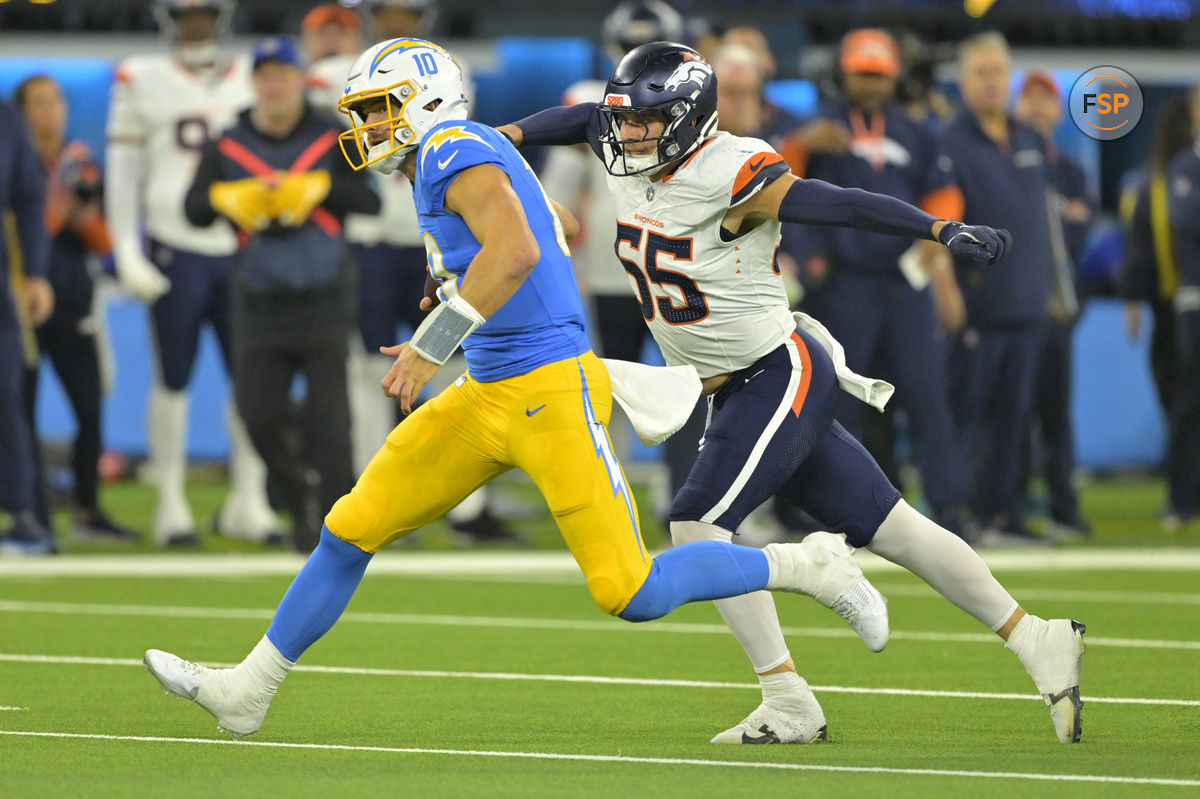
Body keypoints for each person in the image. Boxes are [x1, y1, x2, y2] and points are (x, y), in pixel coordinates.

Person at [144, 37, 891, 744]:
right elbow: (555, 221)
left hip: (549, 395)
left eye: (378, 106)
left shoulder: (447, 147)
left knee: (629, 591)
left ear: (424, 101)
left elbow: (520, 246)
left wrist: (436, 338)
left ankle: (805, 564)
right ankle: (250, 688)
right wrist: (466, 283)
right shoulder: (457, 152)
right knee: (350, 527)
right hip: (489, 391)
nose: (367, 125)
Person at [498, 41, 1085, 744]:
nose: (624, 134)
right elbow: (580, 119)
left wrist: (935, 227)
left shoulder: (730, 169)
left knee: (697, 523)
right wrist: (509, 137)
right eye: (624, 121)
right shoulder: (629, 137)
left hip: (777, 371)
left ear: (685, 120)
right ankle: (1036, 636)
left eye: (642, 122)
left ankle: (787, 695)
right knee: (896, 528)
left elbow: (841, 204)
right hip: (739, 383)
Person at [184, 36, 380, 552]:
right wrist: (232, 197)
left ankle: (337, 535)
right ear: (255, 83)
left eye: (284, 75)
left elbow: (370, 199)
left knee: (331, 422)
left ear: (300, 80)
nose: (275, 86)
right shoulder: (229, 142)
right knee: (257, 412)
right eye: (266, 76)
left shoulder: (331, 135)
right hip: (258, 298)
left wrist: (318, 188)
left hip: (324, 295)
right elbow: (194, 210)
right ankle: (296, 491)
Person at [106, 0, 278, 546]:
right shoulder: (142, 77)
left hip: (240, 247)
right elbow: (123, 173)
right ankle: (171, 504)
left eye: (202, 12)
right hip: (174, 248)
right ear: (169, 19)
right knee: (172, 378)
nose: (195, 23)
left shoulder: (252, 77)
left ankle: (249, 500)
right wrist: (127, 251)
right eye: (186, 14)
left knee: (249, 380)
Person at [791, 29, 969, 537]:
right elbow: (776, 183)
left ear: (893, 77)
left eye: (878, 74)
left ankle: (950, 511)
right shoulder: (817, 127)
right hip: (842, 284)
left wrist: (938, 265)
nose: (870, 84)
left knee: (927, 396)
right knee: (839, 405)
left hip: (903, 283)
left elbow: (944, 200)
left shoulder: (918, 133)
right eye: (862, 73)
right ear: (844, 73)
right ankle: (839, 516)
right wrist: (799, 147)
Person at [539, 0, 705, 524]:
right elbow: (556, 194)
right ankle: (606, 502)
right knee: (606, 391)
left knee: (691, 389)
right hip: (615, 274)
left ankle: (689, 498)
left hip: (681, 271)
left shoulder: (692, 102)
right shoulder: (590, 105)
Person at [937, 33, 1056, 545]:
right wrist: (949, 288)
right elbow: (941, 220)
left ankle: (1001, 515)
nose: (991, 81)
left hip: (1028, 304)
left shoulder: (1029, 139)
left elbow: (1039, 223)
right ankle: (955, 515)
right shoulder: (949, 141)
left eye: (998, 71)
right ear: (964, 82)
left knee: (1014, 419)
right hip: (979, 305)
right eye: (981, 72)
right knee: (965, 415)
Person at [15, 74, 137, 544]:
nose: (50, 111)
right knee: (19, 414)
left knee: (89, 410)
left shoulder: (80, 163)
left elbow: (103, 242)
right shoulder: (15, 163)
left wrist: (83, 217)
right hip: (22, 308)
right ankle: (31, 511)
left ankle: (88, 510)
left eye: (55, 101)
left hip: (74, 305)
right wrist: (56, 207)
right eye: (39, 102)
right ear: (22, 112)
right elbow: (28, 231)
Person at [1014, 69, 1095, 540]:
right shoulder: (1011, 162)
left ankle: (1064, 508)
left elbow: (1081, 235)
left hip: (1059, 311)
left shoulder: (1070, 171)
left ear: (1059, 110)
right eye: (1031, 98)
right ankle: (1013, 505)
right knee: (1014, 414)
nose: (1039, 106)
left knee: (1056, 413)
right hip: (1019, 310)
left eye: (1047, 98)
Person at [1119, 95, 1196, 529]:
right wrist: (1134, 296)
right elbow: (1141, 248)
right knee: (1182, 400)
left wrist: (1132, 299)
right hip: (1176, 301)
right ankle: (1185, 493)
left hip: (1173, 302)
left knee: (1180, 401)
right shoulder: (1157, 183)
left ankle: (1183, 495)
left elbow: (1137, 248)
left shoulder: (1151, 181)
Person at [0, 98, 56, 555]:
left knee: (6, 395)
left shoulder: (4, 114)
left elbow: (28, 196)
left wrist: (35, 273)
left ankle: (21, 515)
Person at [1163, 87, 1200, 530]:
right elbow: (1188, 218)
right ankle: (1181, 499)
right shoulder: (1183, 167)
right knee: (1190, 401)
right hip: (1195, 300)